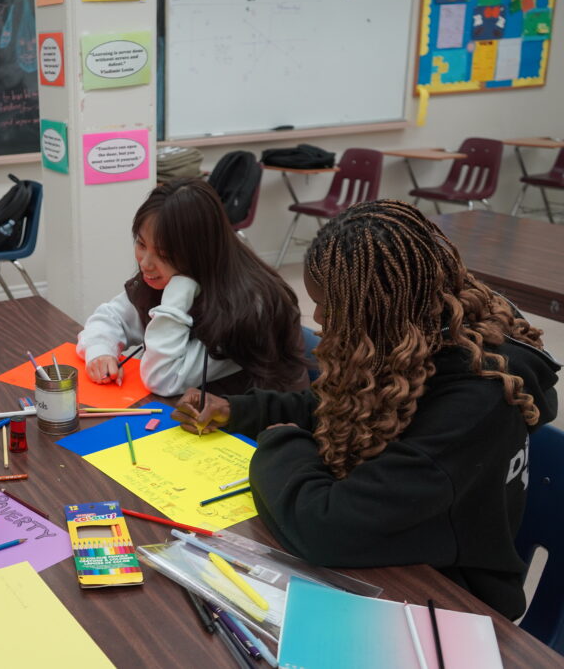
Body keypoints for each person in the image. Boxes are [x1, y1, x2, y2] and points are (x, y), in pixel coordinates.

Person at [172, 199, 559, 620]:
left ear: (379, 308)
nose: (317, 317)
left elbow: (323, 526)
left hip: (451, 605)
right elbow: (341, 402)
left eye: (330, 305)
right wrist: (239, 410)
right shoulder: (417, 333)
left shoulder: (471, 405)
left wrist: (280, 441)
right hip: (398, 559)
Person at [77, 178, 308, 397]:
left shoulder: (247, 307)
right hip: (196, 416)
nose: (145, 263)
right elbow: (112, 317)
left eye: (164, 255)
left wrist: (179, 291)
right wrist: (100, 351)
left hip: (254, 432)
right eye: (140, 243)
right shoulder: (170, 275)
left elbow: (162, 378)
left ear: (200, 254)